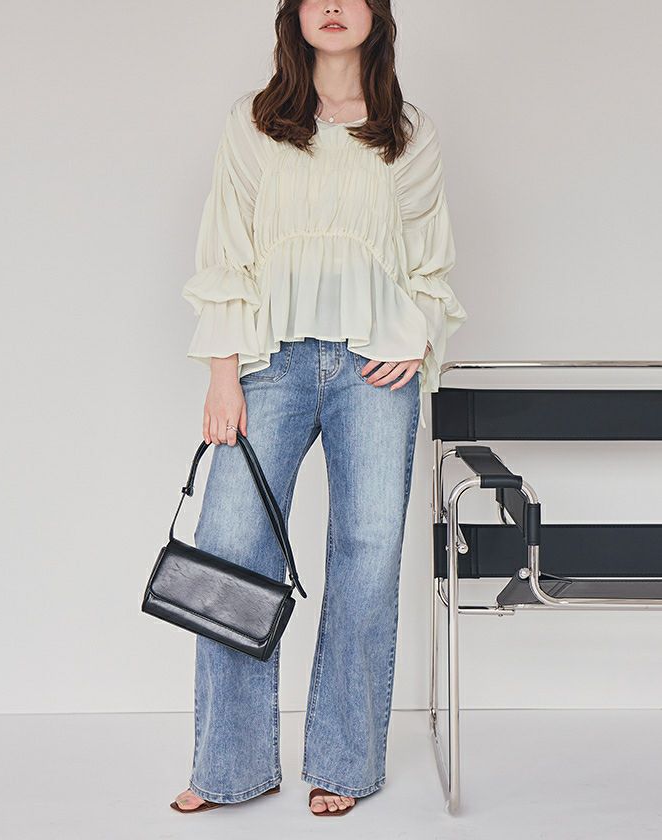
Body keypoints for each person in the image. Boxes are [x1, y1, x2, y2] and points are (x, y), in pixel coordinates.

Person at [170, 0, 468, 817]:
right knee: (231, 547)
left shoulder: (408, 132)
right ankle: (230, 765)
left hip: (376, 368)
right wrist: (222, 374)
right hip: (270, 362)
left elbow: (429, 258)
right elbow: (225, 246)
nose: (333, 6)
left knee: (368, 552)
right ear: (294, 14)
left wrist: (418, 333)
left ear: (376, 14)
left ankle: (345, 759)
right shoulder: (254, 122)